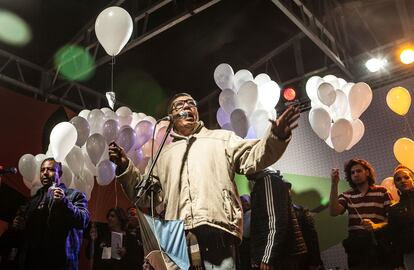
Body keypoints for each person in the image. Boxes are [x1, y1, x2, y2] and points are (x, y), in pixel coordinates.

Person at [109, 92, 300, 269]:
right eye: (180, 104)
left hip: (217, 231)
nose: (187, 107)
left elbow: (254, 155)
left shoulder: (221, 139)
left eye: (191, 103)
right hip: (178, 239)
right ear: (171, 117)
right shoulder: (162, 156)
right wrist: (125, 166)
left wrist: (276, 137)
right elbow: (144, 197)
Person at [11, 157, 89, 270]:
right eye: (42, 170)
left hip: (60, 263)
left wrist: (65, 203)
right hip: (33, 263)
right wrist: (19, 226)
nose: (45, 173)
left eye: (50, 169)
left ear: (60, 173)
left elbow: (83, 220)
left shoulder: (74, 196)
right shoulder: (32, 201)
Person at [329, 158, 394, 270]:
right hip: (356, 249)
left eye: (359, 171)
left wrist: (376, 226)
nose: (355, 174)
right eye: (352, 172)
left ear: (367, 172)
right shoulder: (347, 195)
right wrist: (334, 184)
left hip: (378, 245)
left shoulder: (382, 191)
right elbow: (334, 212)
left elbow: (393, 220)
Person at [248, 168, 307, 270]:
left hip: (278, 258)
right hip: (278, 256)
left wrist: (267, 257)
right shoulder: (265, 181)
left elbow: (275, 221)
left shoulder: (268, 180)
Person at [388, 164, 414, 269]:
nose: (403, 180)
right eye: (398, 179)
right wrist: (397, 263)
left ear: (413, 179)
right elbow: (394, 237)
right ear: (395, 185)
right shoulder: (394, 209)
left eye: (406, 177)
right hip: (410, 255)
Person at [240, 195, 252, 270]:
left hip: (248, 246)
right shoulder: (242, 215)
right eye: (242, 202)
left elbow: (246, 233)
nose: (244, 204)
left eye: (245, 201)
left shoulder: (251, 213)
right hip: (244, 247)